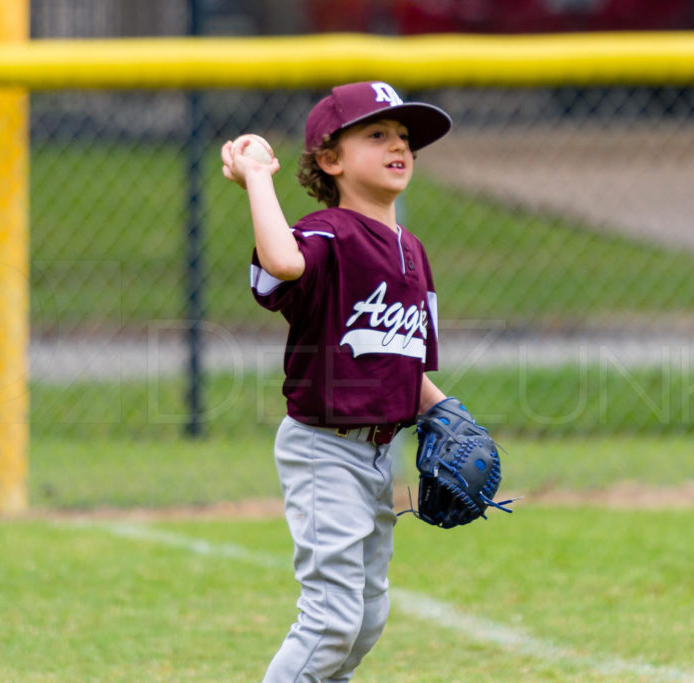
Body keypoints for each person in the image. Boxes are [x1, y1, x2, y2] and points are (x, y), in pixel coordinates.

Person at [220, 81, 453, 682]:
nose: (398, 145)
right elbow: (282, 264)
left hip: (380, 456)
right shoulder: (327, 234)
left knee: (366, 618)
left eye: (404, 137)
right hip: (324, 449)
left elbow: (409, 363)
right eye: (376, 134)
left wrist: (449, 414)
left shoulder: (413, 250)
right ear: (330, 159)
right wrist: (258, 178)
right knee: (331, 620)